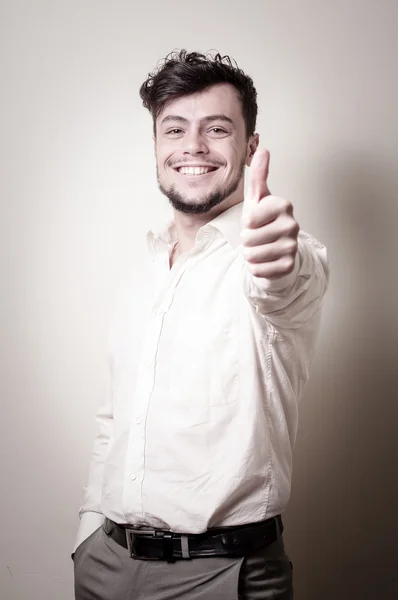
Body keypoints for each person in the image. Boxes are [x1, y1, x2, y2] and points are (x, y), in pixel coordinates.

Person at [72, 50, 329, 600]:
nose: (192, 147)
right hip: (106, 565)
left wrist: (276, 254)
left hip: (222, 575)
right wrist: (88, 531)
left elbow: (284, 282)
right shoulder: (143, 268)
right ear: (157, 147)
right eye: (174, 130)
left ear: (250, 148)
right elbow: (114, 419)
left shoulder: (276, 254)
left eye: (216, 129)